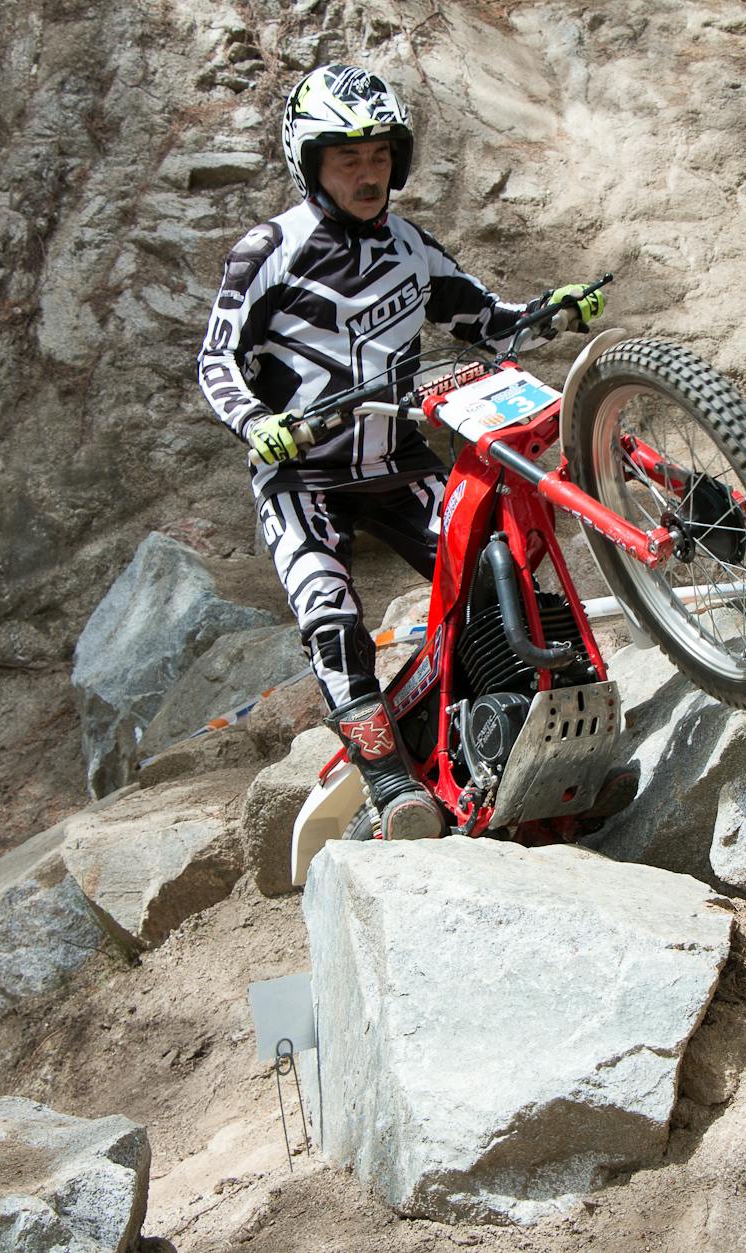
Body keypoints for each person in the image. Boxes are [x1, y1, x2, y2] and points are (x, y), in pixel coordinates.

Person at [197, 63, 604, 841]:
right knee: (330, 615)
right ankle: (390, 785)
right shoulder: (268, 251)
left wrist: (551, 310)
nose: (367, 173)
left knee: (502, 569)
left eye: (380, 156)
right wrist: (256, 422)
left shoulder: (412, 249)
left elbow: (488, 319)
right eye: (347, 159)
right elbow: (215, 360)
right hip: (301, 477)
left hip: (399, 467)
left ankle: (535, 740)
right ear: (311, 163)